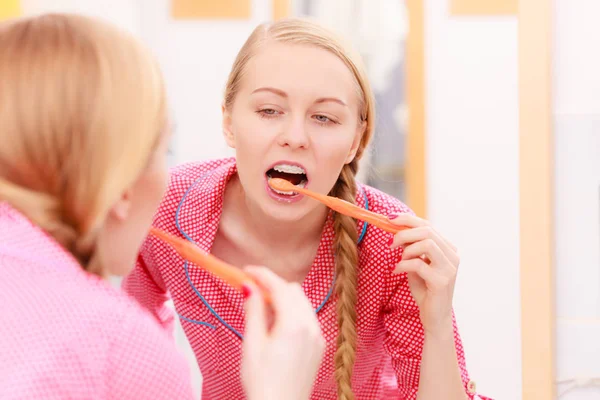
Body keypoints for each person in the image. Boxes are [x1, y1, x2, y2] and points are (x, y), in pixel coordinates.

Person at [123, 17, 492, 400]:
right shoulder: (167, 208)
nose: (295, 138)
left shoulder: (393, 245)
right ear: (229, 122)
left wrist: (438, 323)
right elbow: (129, 342)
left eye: (323, 118)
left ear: (354, 142)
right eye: (269, 111)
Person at [0, 13, 324, 400]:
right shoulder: (120, 347)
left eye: (323, 117)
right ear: (121, 188)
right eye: (163, 150)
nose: (294, 137)